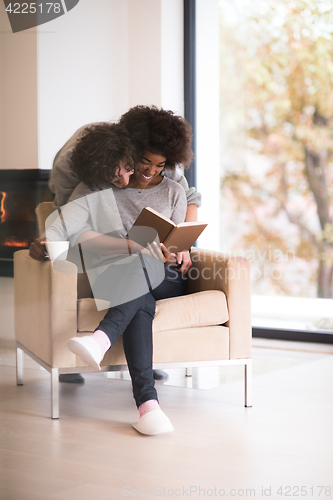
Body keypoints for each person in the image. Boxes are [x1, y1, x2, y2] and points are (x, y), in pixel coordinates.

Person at [46, 107, 194, 434]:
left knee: (148, 259)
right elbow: (75, 235)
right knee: (139, 300)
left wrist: (181, 251)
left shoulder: (174, 191)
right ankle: (148, 407)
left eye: (159, 165)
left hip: (168, 276)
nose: (149, 171)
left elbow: (179, 238)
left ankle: (101, 337)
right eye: (144, 162)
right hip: (123, 279)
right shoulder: (102, 184)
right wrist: (131, 246)